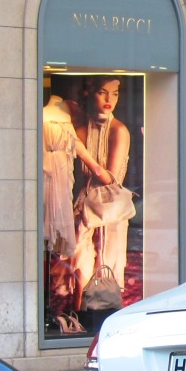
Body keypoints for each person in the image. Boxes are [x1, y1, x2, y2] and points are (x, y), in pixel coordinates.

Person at [71, 76, 132, 304]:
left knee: (107, 265)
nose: (109, 99)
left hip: (110, 207)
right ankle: (78, 313)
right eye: (102, 92)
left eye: (115, 94)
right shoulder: (79, 129)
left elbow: (110, 179)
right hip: (85, 205)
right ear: (90, 93)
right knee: (79, 261)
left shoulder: (119, 130)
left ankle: (102, 315)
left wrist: (84, 154)